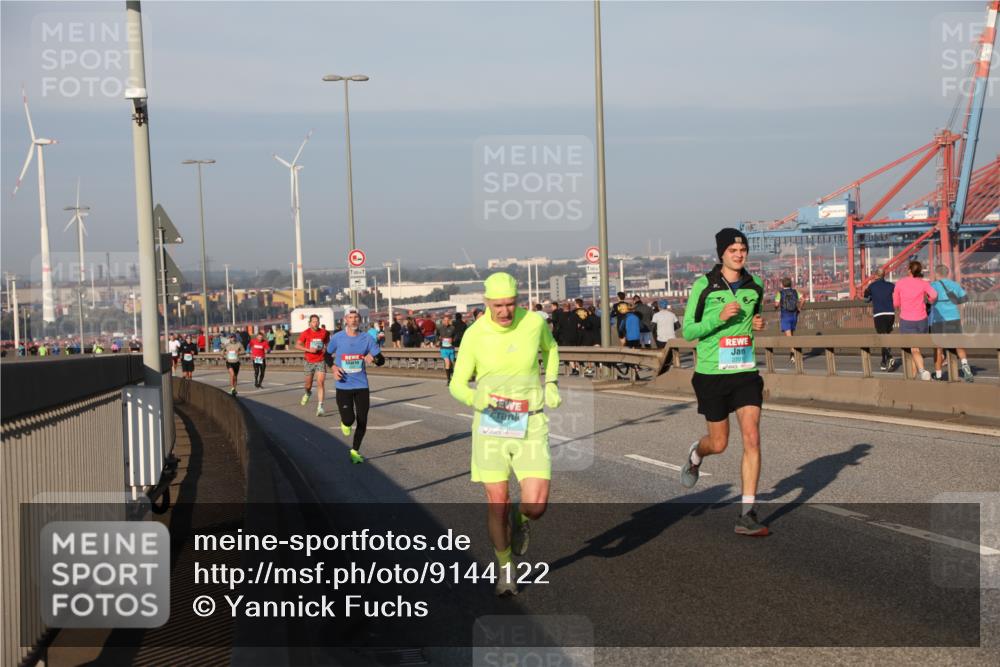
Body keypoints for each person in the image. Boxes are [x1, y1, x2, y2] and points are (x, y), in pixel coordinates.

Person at [448, 272, 561, 596]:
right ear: (486, 303)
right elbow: (456, 384)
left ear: (518, 300)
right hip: (491, 426)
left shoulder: (533, 323)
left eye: (510, 304)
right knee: (497, 501)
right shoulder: (474, 334)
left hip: (530, 423)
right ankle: (505, 568)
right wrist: (474, 398)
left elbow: (551, 350)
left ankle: (521, 519)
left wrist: (551, 381)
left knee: (536, 505)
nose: (505, 312)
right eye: (498, 305)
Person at [679, 228, 769, 537]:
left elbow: (755, 317)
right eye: (733, 249)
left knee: (752, 437)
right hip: (711, 373)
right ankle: (696, 455)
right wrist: (718, 319)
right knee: (719, 443)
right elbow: (688, 331)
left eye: (742, 248)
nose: (739, 253)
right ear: (721, 253)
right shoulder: (704, 286)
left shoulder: (755, 285)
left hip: (744, 371)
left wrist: (757, 323)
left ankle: (747, 514)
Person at [327, 306, 384, 464]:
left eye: (356, 317)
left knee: (362, 420)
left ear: (359, 320)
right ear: (345, 320)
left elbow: (381, 360)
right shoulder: (338, 338)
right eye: (350, 318)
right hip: (343, 386)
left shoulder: (366, 338)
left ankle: (355, 451)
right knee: (349, 419)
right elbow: (326, 355)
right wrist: (333, 367)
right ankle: (345, 423)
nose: (353, 320)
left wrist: (374, 357)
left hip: (361, 386)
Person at [892, 260, 937, 381]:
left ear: (909, 270)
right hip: (922, 320)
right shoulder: (924, 283)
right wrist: (930, 301)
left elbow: (895, 302)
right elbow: (934, 295)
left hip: (907, 319)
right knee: (915, 348)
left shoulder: (900, 283)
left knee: (914, 348)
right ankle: (912, 377)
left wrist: (900, 305)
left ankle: (922, 371)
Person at [929, 264, 973, 382]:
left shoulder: (932, 285)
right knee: (959, 344)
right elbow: (965, 299)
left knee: (938, 348)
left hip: (938, 320)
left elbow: (927, 300)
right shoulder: (954, 284)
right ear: (947, 273)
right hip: (954, 318)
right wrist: (954, 299)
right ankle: (965, 365)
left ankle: (938, 375)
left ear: (936, 273)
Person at [295, 314, 331, 416]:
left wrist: (326, 349)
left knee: (320, 382)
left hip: (321, 360)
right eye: (314, 321)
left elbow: (329, 344)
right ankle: (307, 393)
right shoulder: (305, 333)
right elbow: (297, 345)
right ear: (310, 323)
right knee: (308, 385)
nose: (316, 323)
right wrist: (308, 350)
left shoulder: (324, 333)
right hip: (309, 361)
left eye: (317, 321)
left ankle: (320, 406)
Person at [863, 268, 897, 372]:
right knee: (886, 337)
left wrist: (868, 294)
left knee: (882, 338)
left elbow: (866, 300)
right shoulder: (891, 285)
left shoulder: (872, 286)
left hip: (879, 314)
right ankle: (883, 362)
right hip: (891, 313)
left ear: (875, 276)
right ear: (884, 275)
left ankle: (890, 357)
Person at [775, 276, 803, 363]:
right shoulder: (795, 291)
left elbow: (776, 304)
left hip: (785, 315)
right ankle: (792, 354)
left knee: (789, 337)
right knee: (791, 335)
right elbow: (803, 299)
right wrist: (799, 308)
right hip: (794, 315)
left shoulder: (780, 293)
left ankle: (794, 353)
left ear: (782, 284)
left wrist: (776, 307)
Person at [437, 313, 458, 383]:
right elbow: (436, 335)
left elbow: (456, 337)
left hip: (451, 348)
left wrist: (453, 339)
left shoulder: (452, 328)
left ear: (449, 321)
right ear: (443, 321)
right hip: (443, 348)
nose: (446, 322)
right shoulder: (440, 328)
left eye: (447, 320)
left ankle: (452, 375)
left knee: (452, 363)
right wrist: (439, 340)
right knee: (447, 362)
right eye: (445, 320)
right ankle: (449, 380)